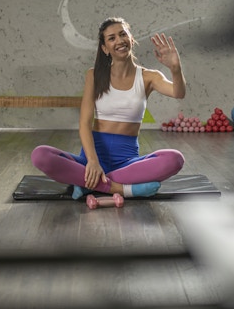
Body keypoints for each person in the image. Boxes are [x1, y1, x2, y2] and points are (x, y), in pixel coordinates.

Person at [31, 17, 186, 199]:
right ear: (105, 48)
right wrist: (93, 162)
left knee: (175, 159)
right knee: (40, 155)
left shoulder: (148, 77)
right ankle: (124, 189)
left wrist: (175, 68)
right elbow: (84, 123)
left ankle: (87, 184)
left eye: (122, 34)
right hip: (91, 159)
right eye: (111, 38)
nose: (119, 41)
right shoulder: (94, 75)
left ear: (131, 39)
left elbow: (178, 92)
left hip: (127, 162)